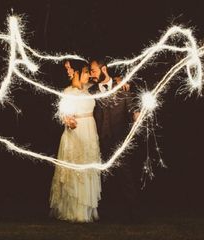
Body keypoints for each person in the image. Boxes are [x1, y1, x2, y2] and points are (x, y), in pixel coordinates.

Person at [88, 58, 140, 221]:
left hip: (120, 140)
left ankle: (133, 214)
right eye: (90, 72)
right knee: (103, 178)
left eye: (94, 71)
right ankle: (107, 214)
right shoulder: (92, 92)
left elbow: (132, 109)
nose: (92, 75)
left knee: (126, 177)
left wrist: (135, 114)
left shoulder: (123, 88)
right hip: (100, 140)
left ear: (104, 69)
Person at [49, 60, 101, 222]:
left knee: (88, 169)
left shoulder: (87, 90)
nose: (88, 75)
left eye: (88, 72)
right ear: (78, 74)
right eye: (85, 72)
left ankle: (87, 210)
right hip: (77, 132)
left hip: (90, 131)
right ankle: (74, 211)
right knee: (76, 170)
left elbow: (100, 79)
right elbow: (64, 114)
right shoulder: (69, 92)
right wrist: (68, 121)